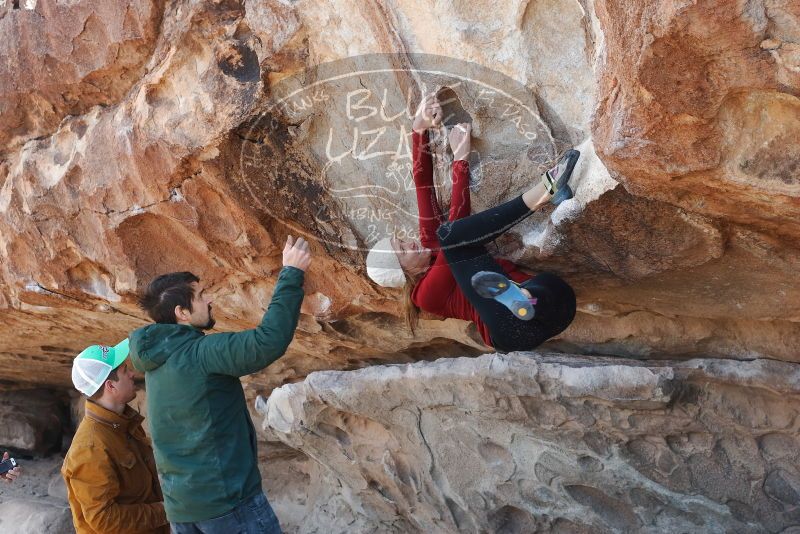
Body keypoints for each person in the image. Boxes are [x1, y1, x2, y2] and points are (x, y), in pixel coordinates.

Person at [365, 94, 577, 352]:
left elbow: (423, 186)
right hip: (511, 331)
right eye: (404, 250)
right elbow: (456, 225)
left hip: (555, 301)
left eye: (402, 240)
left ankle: (526, 298)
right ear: (406, 273)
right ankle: (545, 191)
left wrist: (418, 129)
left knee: (542, 285)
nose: (410, 243)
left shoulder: (430, 244)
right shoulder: (425, 296)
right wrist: (460, 160)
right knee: (451, 236)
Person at [128, 235, 311, 534]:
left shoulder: (155, 364)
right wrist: (291, 273)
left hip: (182, 510)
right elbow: (267, 342)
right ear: (182, 313)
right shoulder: (201, 354)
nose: (210, 299)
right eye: (201, 296)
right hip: (228, 506)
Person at [62, 339, 169, 534]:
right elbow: (103, 519)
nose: (132, 374)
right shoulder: (90, 447)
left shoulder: (122, 424)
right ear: (110, 386)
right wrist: (167, 510)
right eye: (125, 370)